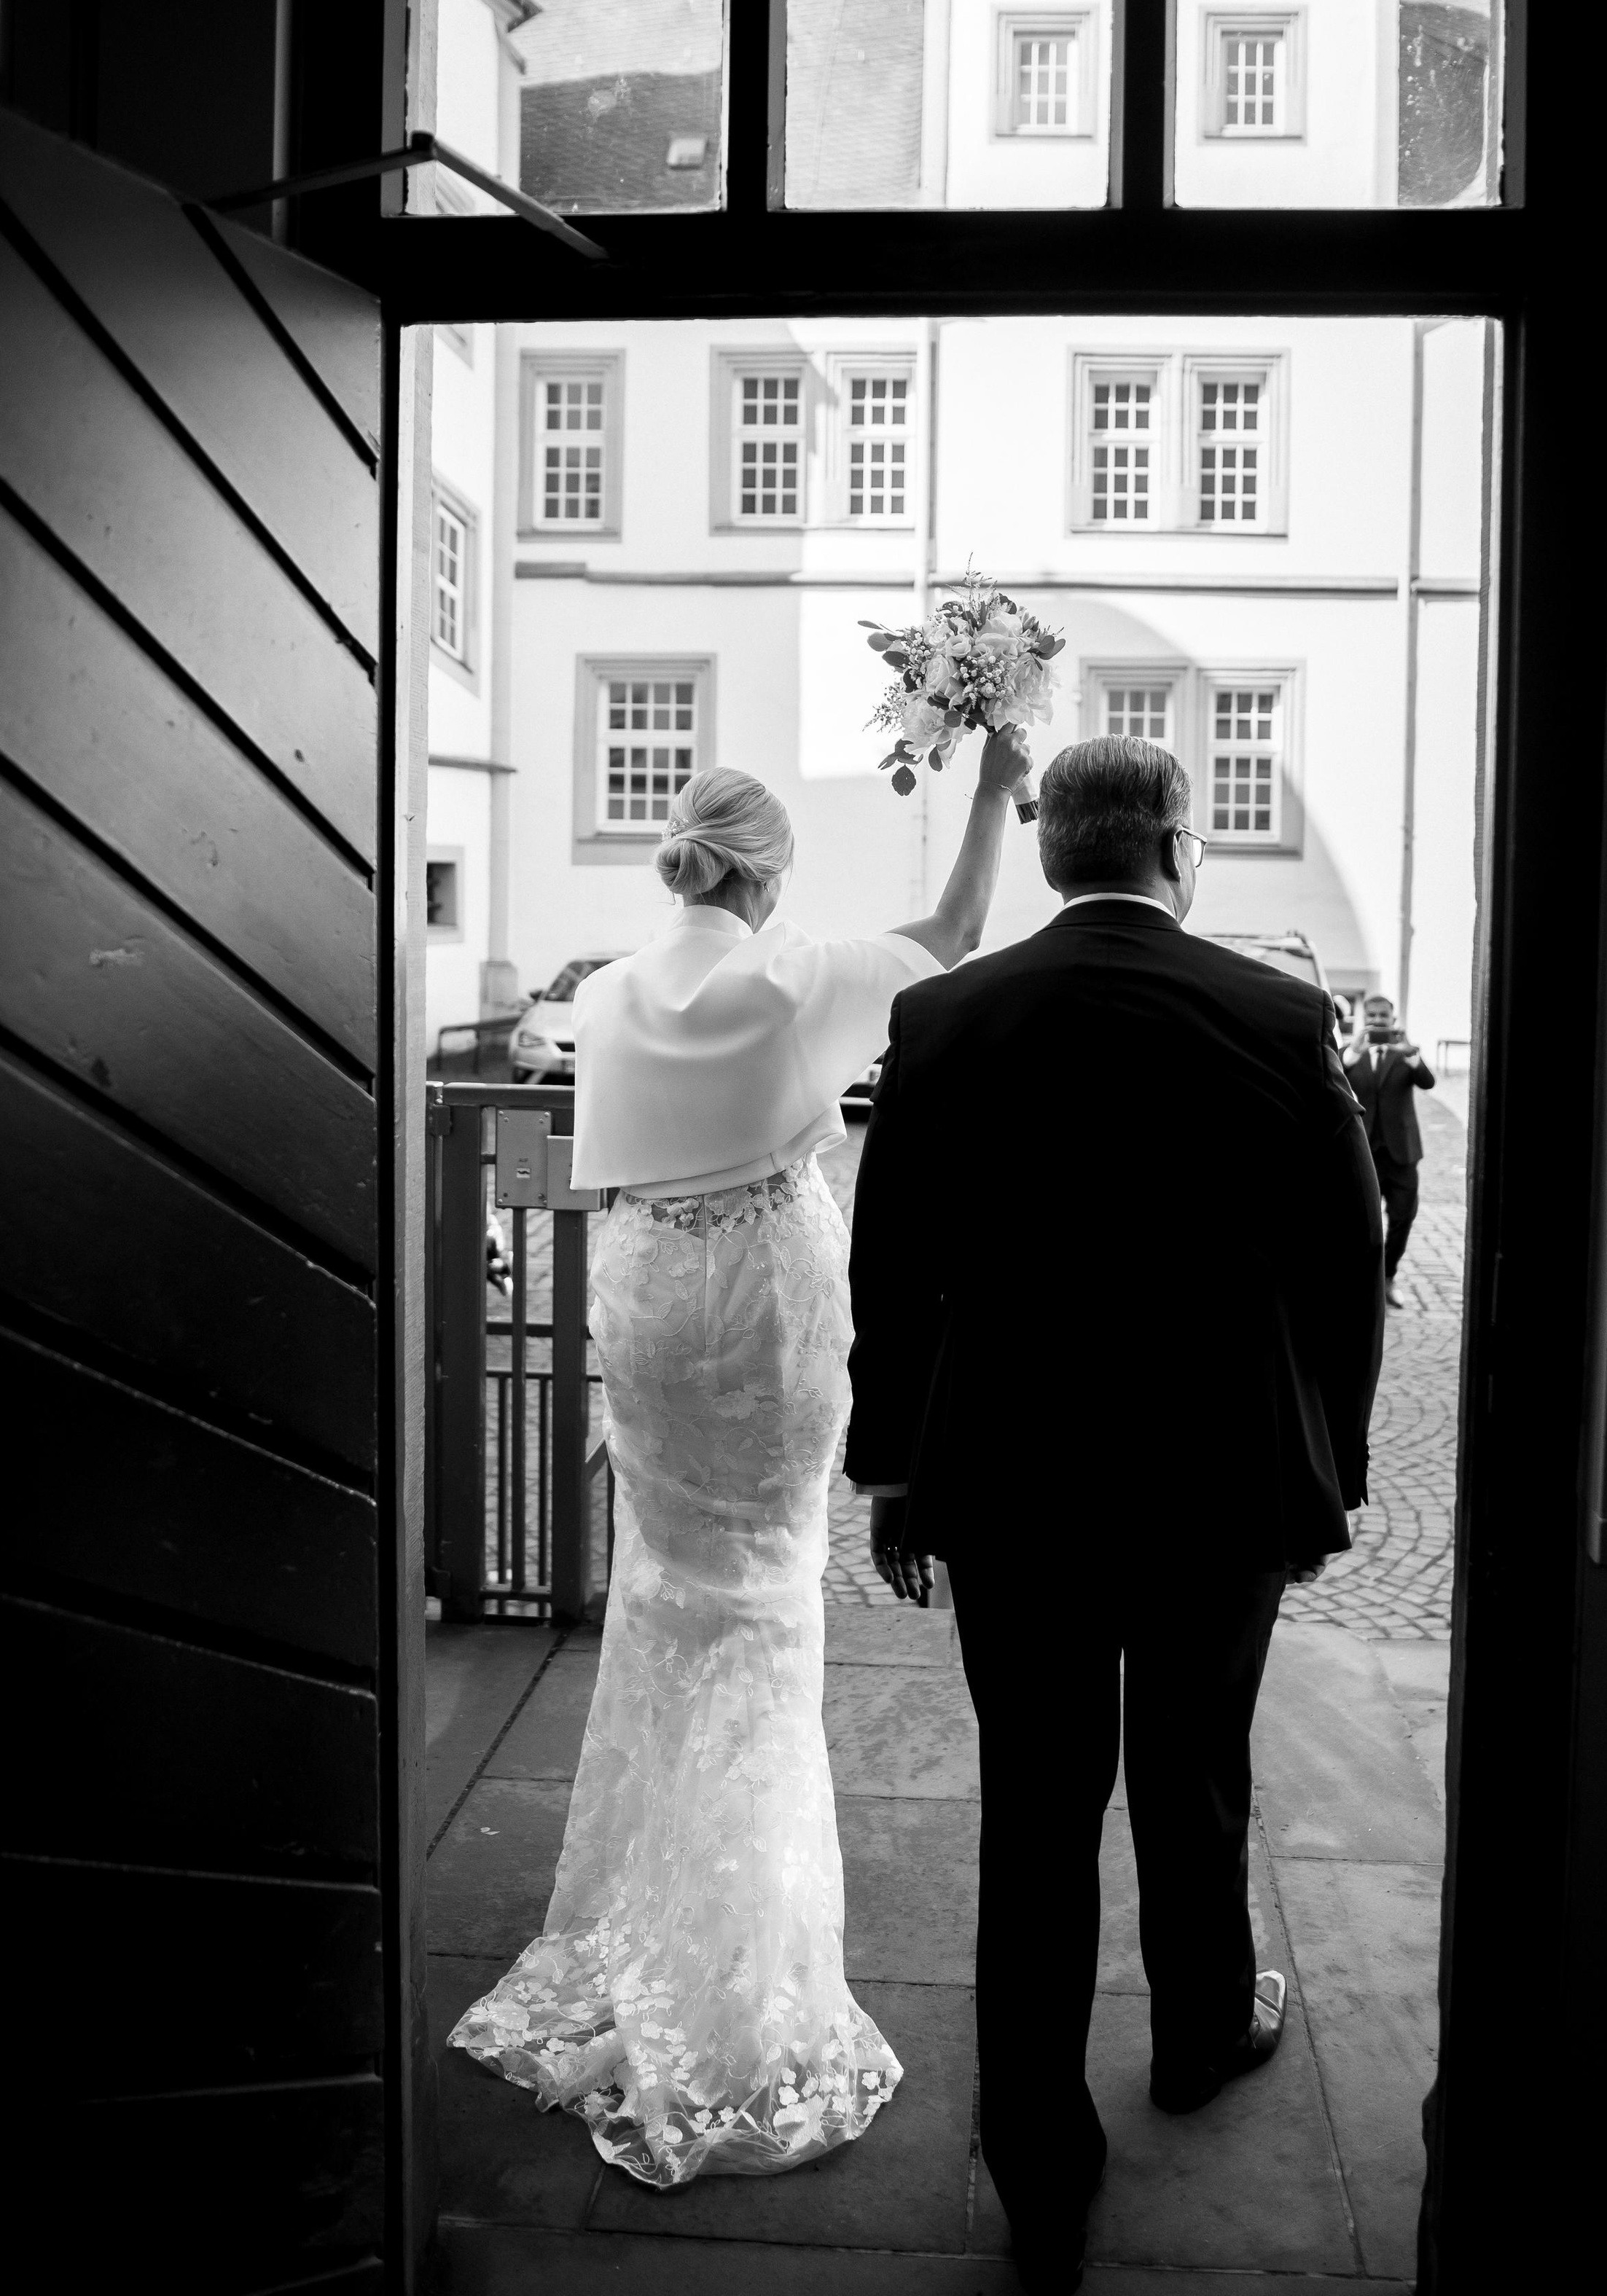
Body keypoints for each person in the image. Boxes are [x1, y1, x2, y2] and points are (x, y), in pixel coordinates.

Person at [448, 729, 1034, 2186]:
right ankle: (740, 1983)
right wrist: (989, 777)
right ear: (765, 879)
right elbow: (955, 934)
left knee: (666, 1588)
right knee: (767, 1603)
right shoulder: (791, 981)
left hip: (645, 1290)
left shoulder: (604, 996)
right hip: (767, 1300)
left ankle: (642, 1919)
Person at [845, 737, 1383, 2296]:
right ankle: (1202, 2030)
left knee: (1034, 1806)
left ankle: (1036, 2161)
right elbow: (1343, 1261)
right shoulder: (1278, 1016)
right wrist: (1325, 1470)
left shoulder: (946, 1016)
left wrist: (894, 1469)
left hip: (1013, 1480)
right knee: (1192, 1767)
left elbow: (895, 1266)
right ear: (1174, 843)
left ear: (1045, 847)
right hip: (1216, 1479)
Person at [1342, 992, 1434, 1308]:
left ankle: (1388, 1277)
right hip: (1363, 1153)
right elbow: (1332, 1077)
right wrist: (1353, 1052)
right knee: (1362, 1221)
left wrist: (1411, 1054)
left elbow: (1428, 1082)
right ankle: (1366, 1280)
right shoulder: (1350, 1055)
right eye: (1372, 1016)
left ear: (1393, 1021)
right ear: (1363, 1019)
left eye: (1383, 1016)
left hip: (1402, 1154)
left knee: (1403, 1218)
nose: (1377, 1021)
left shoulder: (1405, 1054)